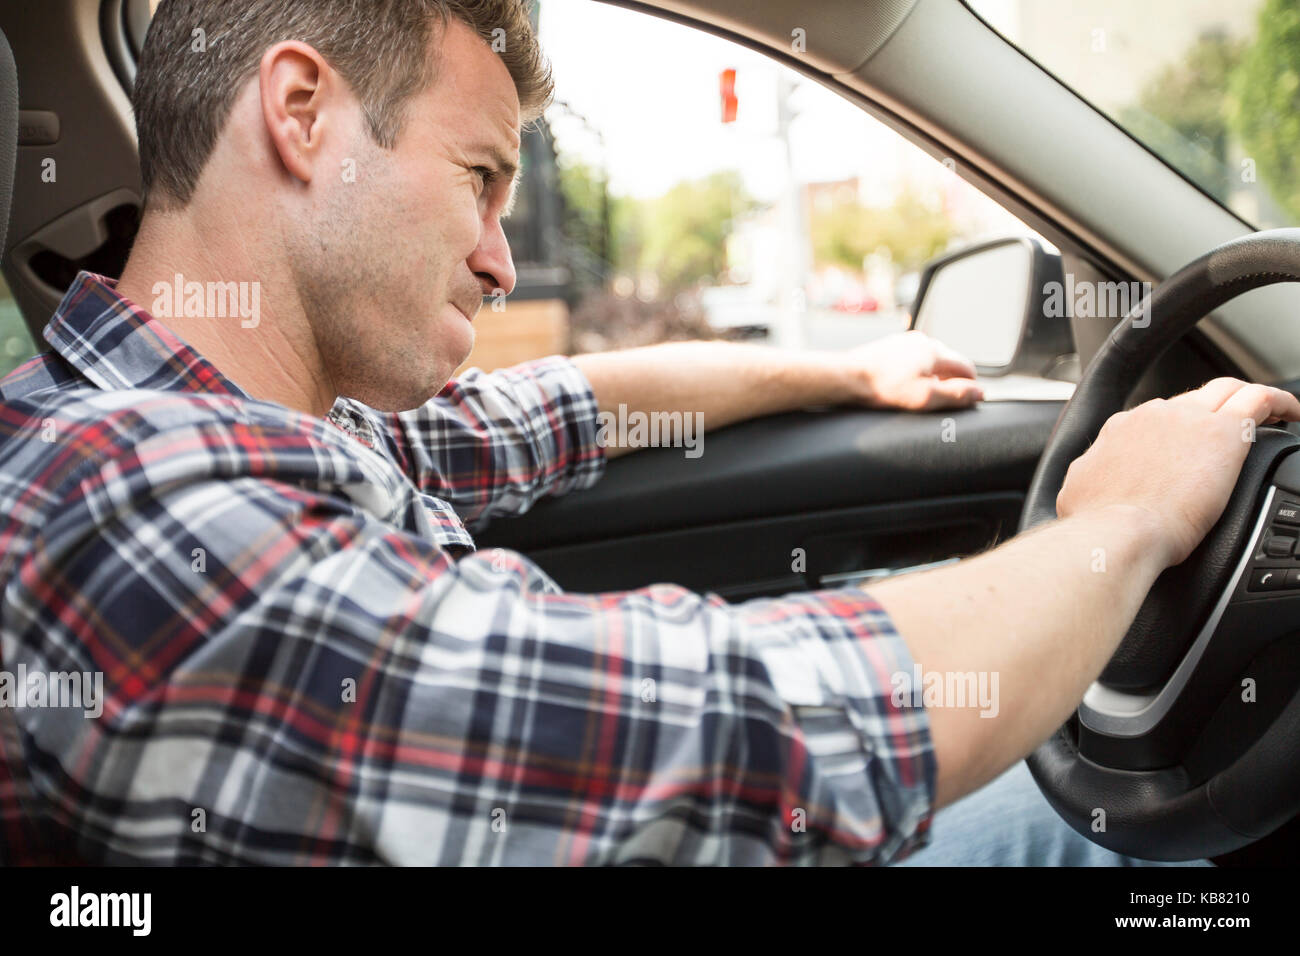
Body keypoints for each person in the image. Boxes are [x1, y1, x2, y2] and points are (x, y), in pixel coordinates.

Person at [0, 0, 1291, 865]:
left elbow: (562, 408)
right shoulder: (126, 498)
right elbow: (728, 730)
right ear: (300, 115)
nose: (501, 264)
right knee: (1112, 835)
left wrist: (844, 372)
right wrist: (1119, 523)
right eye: (480, 179)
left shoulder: (263, 426)